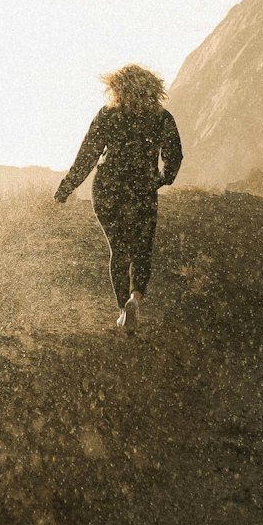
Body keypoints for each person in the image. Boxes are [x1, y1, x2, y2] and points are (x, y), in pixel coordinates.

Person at [54, 64, 182, 332]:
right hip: (141, 189)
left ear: (117, 88)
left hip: (107, 188)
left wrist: (66, 188)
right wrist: (161, 179)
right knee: (142, 249)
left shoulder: (107, 115)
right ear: (152, 88)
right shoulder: (161, 118)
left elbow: (87, 156)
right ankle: (135, 297)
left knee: (119, 249)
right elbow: (174, 158)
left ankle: (123, 310)